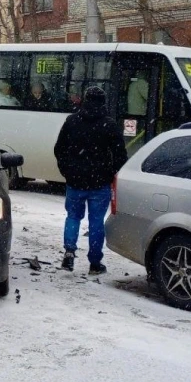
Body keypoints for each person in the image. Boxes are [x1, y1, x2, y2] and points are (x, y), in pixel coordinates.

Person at [54, 86, 128, 275]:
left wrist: (67, 171)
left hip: (75, 181)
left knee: (73, 217)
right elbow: (120, 154)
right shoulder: (109, 124)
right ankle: (95, 262)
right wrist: (110, 173)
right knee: (96, 222)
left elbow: (59, 149)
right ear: (103, 102)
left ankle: (69, 253)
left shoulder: (72, 121)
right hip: (99, 182)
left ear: (85, 100)